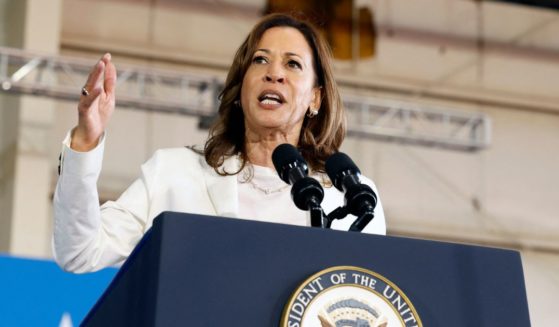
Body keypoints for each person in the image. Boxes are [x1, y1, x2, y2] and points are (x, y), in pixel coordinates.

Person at [53, 13, 386, 273]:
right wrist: (86, 140)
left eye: (293, 64)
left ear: (316, 98)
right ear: (241, 89)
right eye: (260, 60)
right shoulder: (174, 173)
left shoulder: (351, 198)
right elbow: (80, 252)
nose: (274, 73)